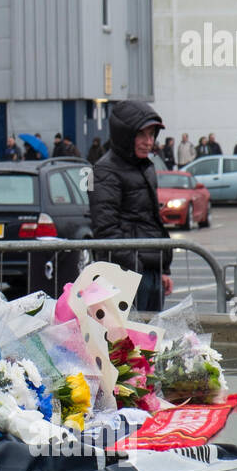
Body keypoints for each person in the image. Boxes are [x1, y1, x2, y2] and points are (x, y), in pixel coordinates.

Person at [90, 100, 174, 312]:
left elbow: (152, 221)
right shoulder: (104, 171)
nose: (149, 141)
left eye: (152, 134)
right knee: (128, 341)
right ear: (126, 135)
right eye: (142, 134)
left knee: (151, 339)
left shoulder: (145, 168)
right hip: (128, 274)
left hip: (149, 269)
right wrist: (135, 267)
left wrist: (162, 267)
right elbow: (106, 229)